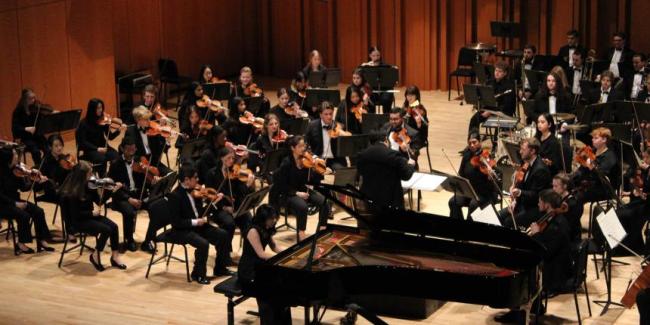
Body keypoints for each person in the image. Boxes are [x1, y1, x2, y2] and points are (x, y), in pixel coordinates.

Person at [496, 189, 572, 323]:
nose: (537, 203)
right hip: (553, 263)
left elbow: (547, 253)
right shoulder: (552, 218)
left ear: (547, 205)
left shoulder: (558, 225)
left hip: (556, 272)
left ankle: (518, 313)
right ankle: (536, 305)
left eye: (540, 201)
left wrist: (536, 234)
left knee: (520, 272)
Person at [167, 163, 232, 284]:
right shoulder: (175, 196)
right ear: (186, 180)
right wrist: (196, 222)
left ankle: (220, 269)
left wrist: (213, 204)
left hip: (197, 225)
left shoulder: (194, 192)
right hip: (182, 230)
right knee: (203, 244)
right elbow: (176, 222)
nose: (198, 181)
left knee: (223, 235)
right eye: (195, 178)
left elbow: (200, 212)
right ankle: (198, 274)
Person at [59, 160, 126, 271]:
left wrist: (111, 191)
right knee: (106, 230)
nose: (92, 176)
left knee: (114, 227)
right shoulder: (71, 193)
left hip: (89, 217)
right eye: (90, 173)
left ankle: (115, 256)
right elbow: (75, 215)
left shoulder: (89, 185)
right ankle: (95, 255)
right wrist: (91, 213)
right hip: (78, 221)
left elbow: (100, 201)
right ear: (82, 175)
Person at [238, 204, 290, 325]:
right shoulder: (253, 231)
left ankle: (279, 319)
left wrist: (289, 253)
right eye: (272, 218)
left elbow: (274, 246)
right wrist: (281, 258)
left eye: (275, 217)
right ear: (263, 218)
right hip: (249, 269)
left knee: (281, 285)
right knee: (268, 289)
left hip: (260, 265)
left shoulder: (266, 227)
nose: (274, 220)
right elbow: (261, 253)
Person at [274, 136, 331, 241]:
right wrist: (297, 193)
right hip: (289, 193)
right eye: (300, 146)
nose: (303, 148)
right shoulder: (286, 163)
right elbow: (282, 185)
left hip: (304, 189)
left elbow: (313, 180)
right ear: (292, 148)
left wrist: (315, 167)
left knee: (324, 202)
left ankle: (322, 228)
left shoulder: (307, 160)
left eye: (304, 145)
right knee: (302, 207)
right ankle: (301, 233)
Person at [0, 147, 54, 254]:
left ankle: (42, 240)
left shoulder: (15, 170)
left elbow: (24, 188)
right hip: (3, 204)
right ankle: (21, 244)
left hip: (15, 200)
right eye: (14, 155)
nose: (17, 156)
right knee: (24, 215)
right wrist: (15, 203)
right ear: (7, 158)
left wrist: (32, 180)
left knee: (38, 211)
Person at [205, 147, 254, 259]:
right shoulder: (211, 174)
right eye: (228, 158)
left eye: (233, 158)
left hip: (235, 207)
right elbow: (209, 196)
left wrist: (248, 185)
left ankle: (249, 252)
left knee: (249, 219)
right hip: (218, 209)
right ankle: (226, 253)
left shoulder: (234, 173)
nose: (231, 161)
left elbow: (241, 193)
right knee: (229, 224)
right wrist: (224, 208)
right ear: (222, 159)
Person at [107, 136, 152, 252]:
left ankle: (148, 240)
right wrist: (129, 199)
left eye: (133, 149)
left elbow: (144, 182)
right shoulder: (115, 164)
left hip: (137, 194)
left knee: (155, 207)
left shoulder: (138, 161)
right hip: (121, 197)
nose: (131, 152)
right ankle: (129, 240)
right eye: (128, 149)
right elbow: (113, 187)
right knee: (129, 211)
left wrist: (151, 178)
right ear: (122, 149)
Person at [499, 138, 552, 229]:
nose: (520, 152)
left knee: (508, 222)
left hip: (534, 208)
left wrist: (519, 192)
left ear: (532, 151)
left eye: (523, 149)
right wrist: (515, 201)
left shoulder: (540, 170)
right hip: (523, 203)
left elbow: (537, 195)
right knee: (499, 215)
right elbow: (521, 184)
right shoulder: (527, 164)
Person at [448, 131, 499, 220]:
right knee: (453, 202)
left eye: (474, 142)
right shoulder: (466, 156)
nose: (472, 145)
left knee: (473, 205)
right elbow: (461, 174)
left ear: (480, 142)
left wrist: (490, 177)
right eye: (470, 143)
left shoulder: (487, 157)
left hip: (484, 193)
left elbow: (494, 180)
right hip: (469, 191)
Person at [357, 134, 415, 211]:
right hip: (391, 200)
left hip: (369, 199)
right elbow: (406, 176)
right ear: (386, 140)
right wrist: (410, 165)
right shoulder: (394, 155)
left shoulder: (362, 154)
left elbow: (360, 172)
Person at [572, 127, 620, 204]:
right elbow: (583, 170)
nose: (592, 140)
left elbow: (601, 177)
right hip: (591, 184)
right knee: (569, 186)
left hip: (604, 189)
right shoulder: (592, 152)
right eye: (592, 138)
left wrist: (590, 167)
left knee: (578, 197)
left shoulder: (610, 156)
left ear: (604, 140)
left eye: (596, 138)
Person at [76, 98, 122, 174]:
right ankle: (101, 178)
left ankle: (111, 175)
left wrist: (118, 131)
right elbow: (83, 142)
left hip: (102, 147)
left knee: (115, 156)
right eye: (98, 108)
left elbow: (110, 136)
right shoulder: (84, 123)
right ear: (92, 109)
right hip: (89, 149)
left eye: (101, 107)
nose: (100, 110)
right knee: (102, 159)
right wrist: (97, 149)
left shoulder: (103, 120)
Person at [467, 62, 516, 133]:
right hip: (489, 110)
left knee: (498, 129)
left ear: (505, 73)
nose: (497, 73)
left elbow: (507, 106)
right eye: (496, 70)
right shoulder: (490, 82)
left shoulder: (509, 86)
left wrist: (491, 112)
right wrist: (478, 105)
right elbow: (484, 98)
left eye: (500, 71)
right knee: (474, 119)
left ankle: (496, 143)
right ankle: (474, 140)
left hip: (503, 112)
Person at [304, 102, 349, 170]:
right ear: (321, 115)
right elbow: (306, 145)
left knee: (342, 172)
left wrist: (342, 134)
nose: (329, 117)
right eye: (326, 114)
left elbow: (347, 142)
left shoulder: (337, 126)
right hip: (318, 159)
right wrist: (314, 157)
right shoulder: (312, 126)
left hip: (334, 160)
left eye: (331, 114)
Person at [12, 88, 51, 166]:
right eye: (30, 98)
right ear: (24, 99)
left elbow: (45, 111)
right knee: (35, 151)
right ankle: (39, 168)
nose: (33, 100)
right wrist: (26, 129)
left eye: (34, 98)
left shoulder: (35, 107)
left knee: (48, 149)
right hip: (25, 137)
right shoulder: (18, 111)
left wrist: (51, 111)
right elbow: (15, 128)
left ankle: (45, 166)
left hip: (37, 135)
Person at [125, 106, 169, 172]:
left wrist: (166, 141)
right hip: (140, 163)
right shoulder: (130, 132)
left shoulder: (153, 129)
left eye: (149, 118)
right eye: (146, 119)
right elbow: (129, 153)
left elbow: (160, 149)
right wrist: (140, 160)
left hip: (153, 160)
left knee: (171, 175)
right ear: (138, 120)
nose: (149, 121)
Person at [39, 134, 72, 202]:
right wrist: (63, 168)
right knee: (71, 198)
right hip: (52, 190)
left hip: (64, 187)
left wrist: (72, 168)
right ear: (50, 147)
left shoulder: (63, 157)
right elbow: (53, 178)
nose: (59, 148)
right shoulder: (46, 160)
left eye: (60, 145)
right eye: (56, 146)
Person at [552, 172, 583, 242]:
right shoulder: (560, 198)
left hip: (570, 238)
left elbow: (569, 226)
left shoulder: (573, 203)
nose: (553, 189)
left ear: (565, 186)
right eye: (553, 186)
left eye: (556, 186)